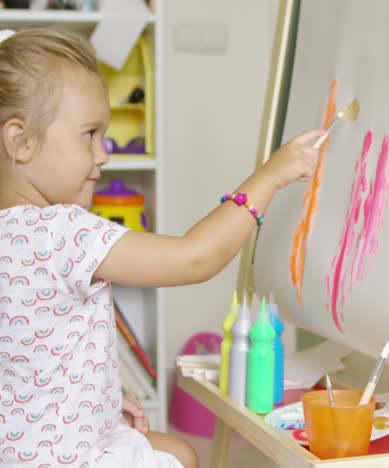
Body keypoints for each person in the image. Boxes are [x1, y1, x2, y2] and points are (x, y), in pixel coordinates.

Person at [0, 28, 323, 467]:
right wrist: (271, 176)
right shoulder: (63, 231)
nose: (104, 153)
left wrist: (100, 402)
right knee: (182, 459)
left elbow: (27, 363)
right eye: (89, 134)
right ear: (21, 142)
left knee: (177, 449)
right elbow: (196, 257)